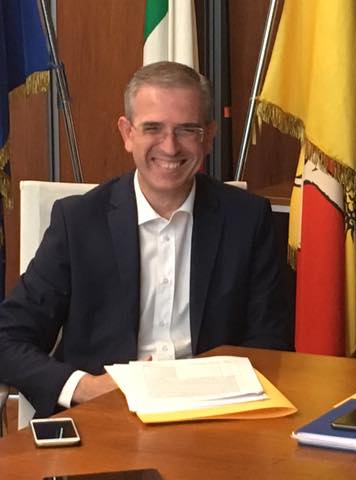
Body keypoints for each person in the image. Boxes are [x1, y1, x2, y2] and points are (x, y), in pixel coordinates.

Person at [0, 61, 292, 417]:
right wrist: (86, 387)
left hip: (214, 415)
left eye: (187, 130)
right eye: (153, 128)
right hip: (104, 414)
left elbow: (270, 342)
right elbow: (7, 338)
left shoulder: (248, 219)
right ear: (127, 133)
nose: (170, 147)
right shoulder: (78, 222)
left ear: (208, 136)